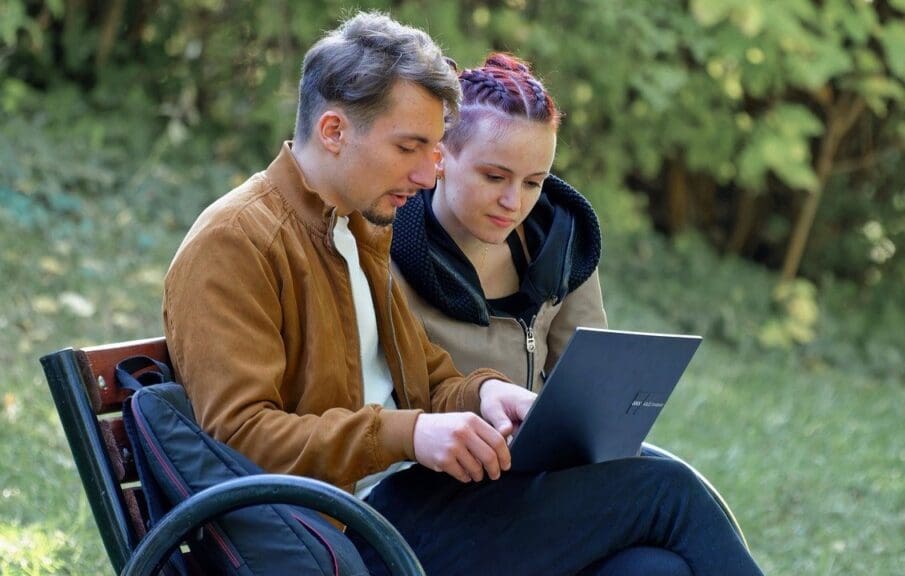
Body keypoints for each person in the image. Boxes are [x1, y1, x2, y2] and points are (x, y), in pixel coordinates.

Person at [162, 11, 763, 576]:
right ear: (334, 130)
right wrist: (410, 433)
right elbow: (238, 440)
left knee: (652, 569)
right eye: (409, 147)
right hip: (344, 537)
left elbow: (431, 380)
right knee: (666, 491)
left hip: (407, 507)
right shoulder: (236, 242)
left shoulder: (355, 230)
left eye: (433, 148)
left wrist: (489, 395)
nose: (428, 174)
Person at [391, 53, 605, 393]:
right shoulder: (384, 244)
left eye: (533, 183)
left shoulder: (562, 240)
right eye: (494, 177)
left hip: (538, 446)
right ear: (439, 156)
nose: (514, 202)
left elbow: (593, 390)